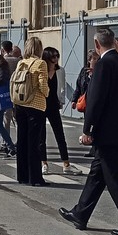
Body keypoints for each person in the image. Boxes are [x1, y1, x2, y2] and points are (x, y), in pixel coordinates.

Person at [58, 26, 118, 235]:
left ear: (97, 45)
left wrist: (88, 128)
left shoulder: (103, 65)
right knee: (98, 173)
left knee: (115, 178)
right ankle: (81, 213)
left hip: (107, 130)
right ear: (114, 41)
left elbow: (95, 100)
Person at [13, 36, 50, 186]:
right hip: (35, 105)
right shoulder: (41, 63)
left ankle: (22, 175)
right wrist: (47, 92)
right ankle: (35, 178)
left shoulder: (21, 63)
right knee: (34, 142)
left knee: (21, 140)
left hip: (20, 104)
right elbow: (43, 85)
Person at [41, 47, 81, 175]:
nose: (56, 59)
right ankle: (44, 163)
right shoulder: (41, 70)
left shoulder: (60, 70)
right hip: (41, 105)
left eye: (57, 56)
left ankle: (66, 164)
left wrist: (61, 102)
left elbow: (62, 88)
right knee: (41, 137)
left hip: (53, 105)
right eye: (53, 56)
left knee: (60, 136)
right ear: (47, 57)